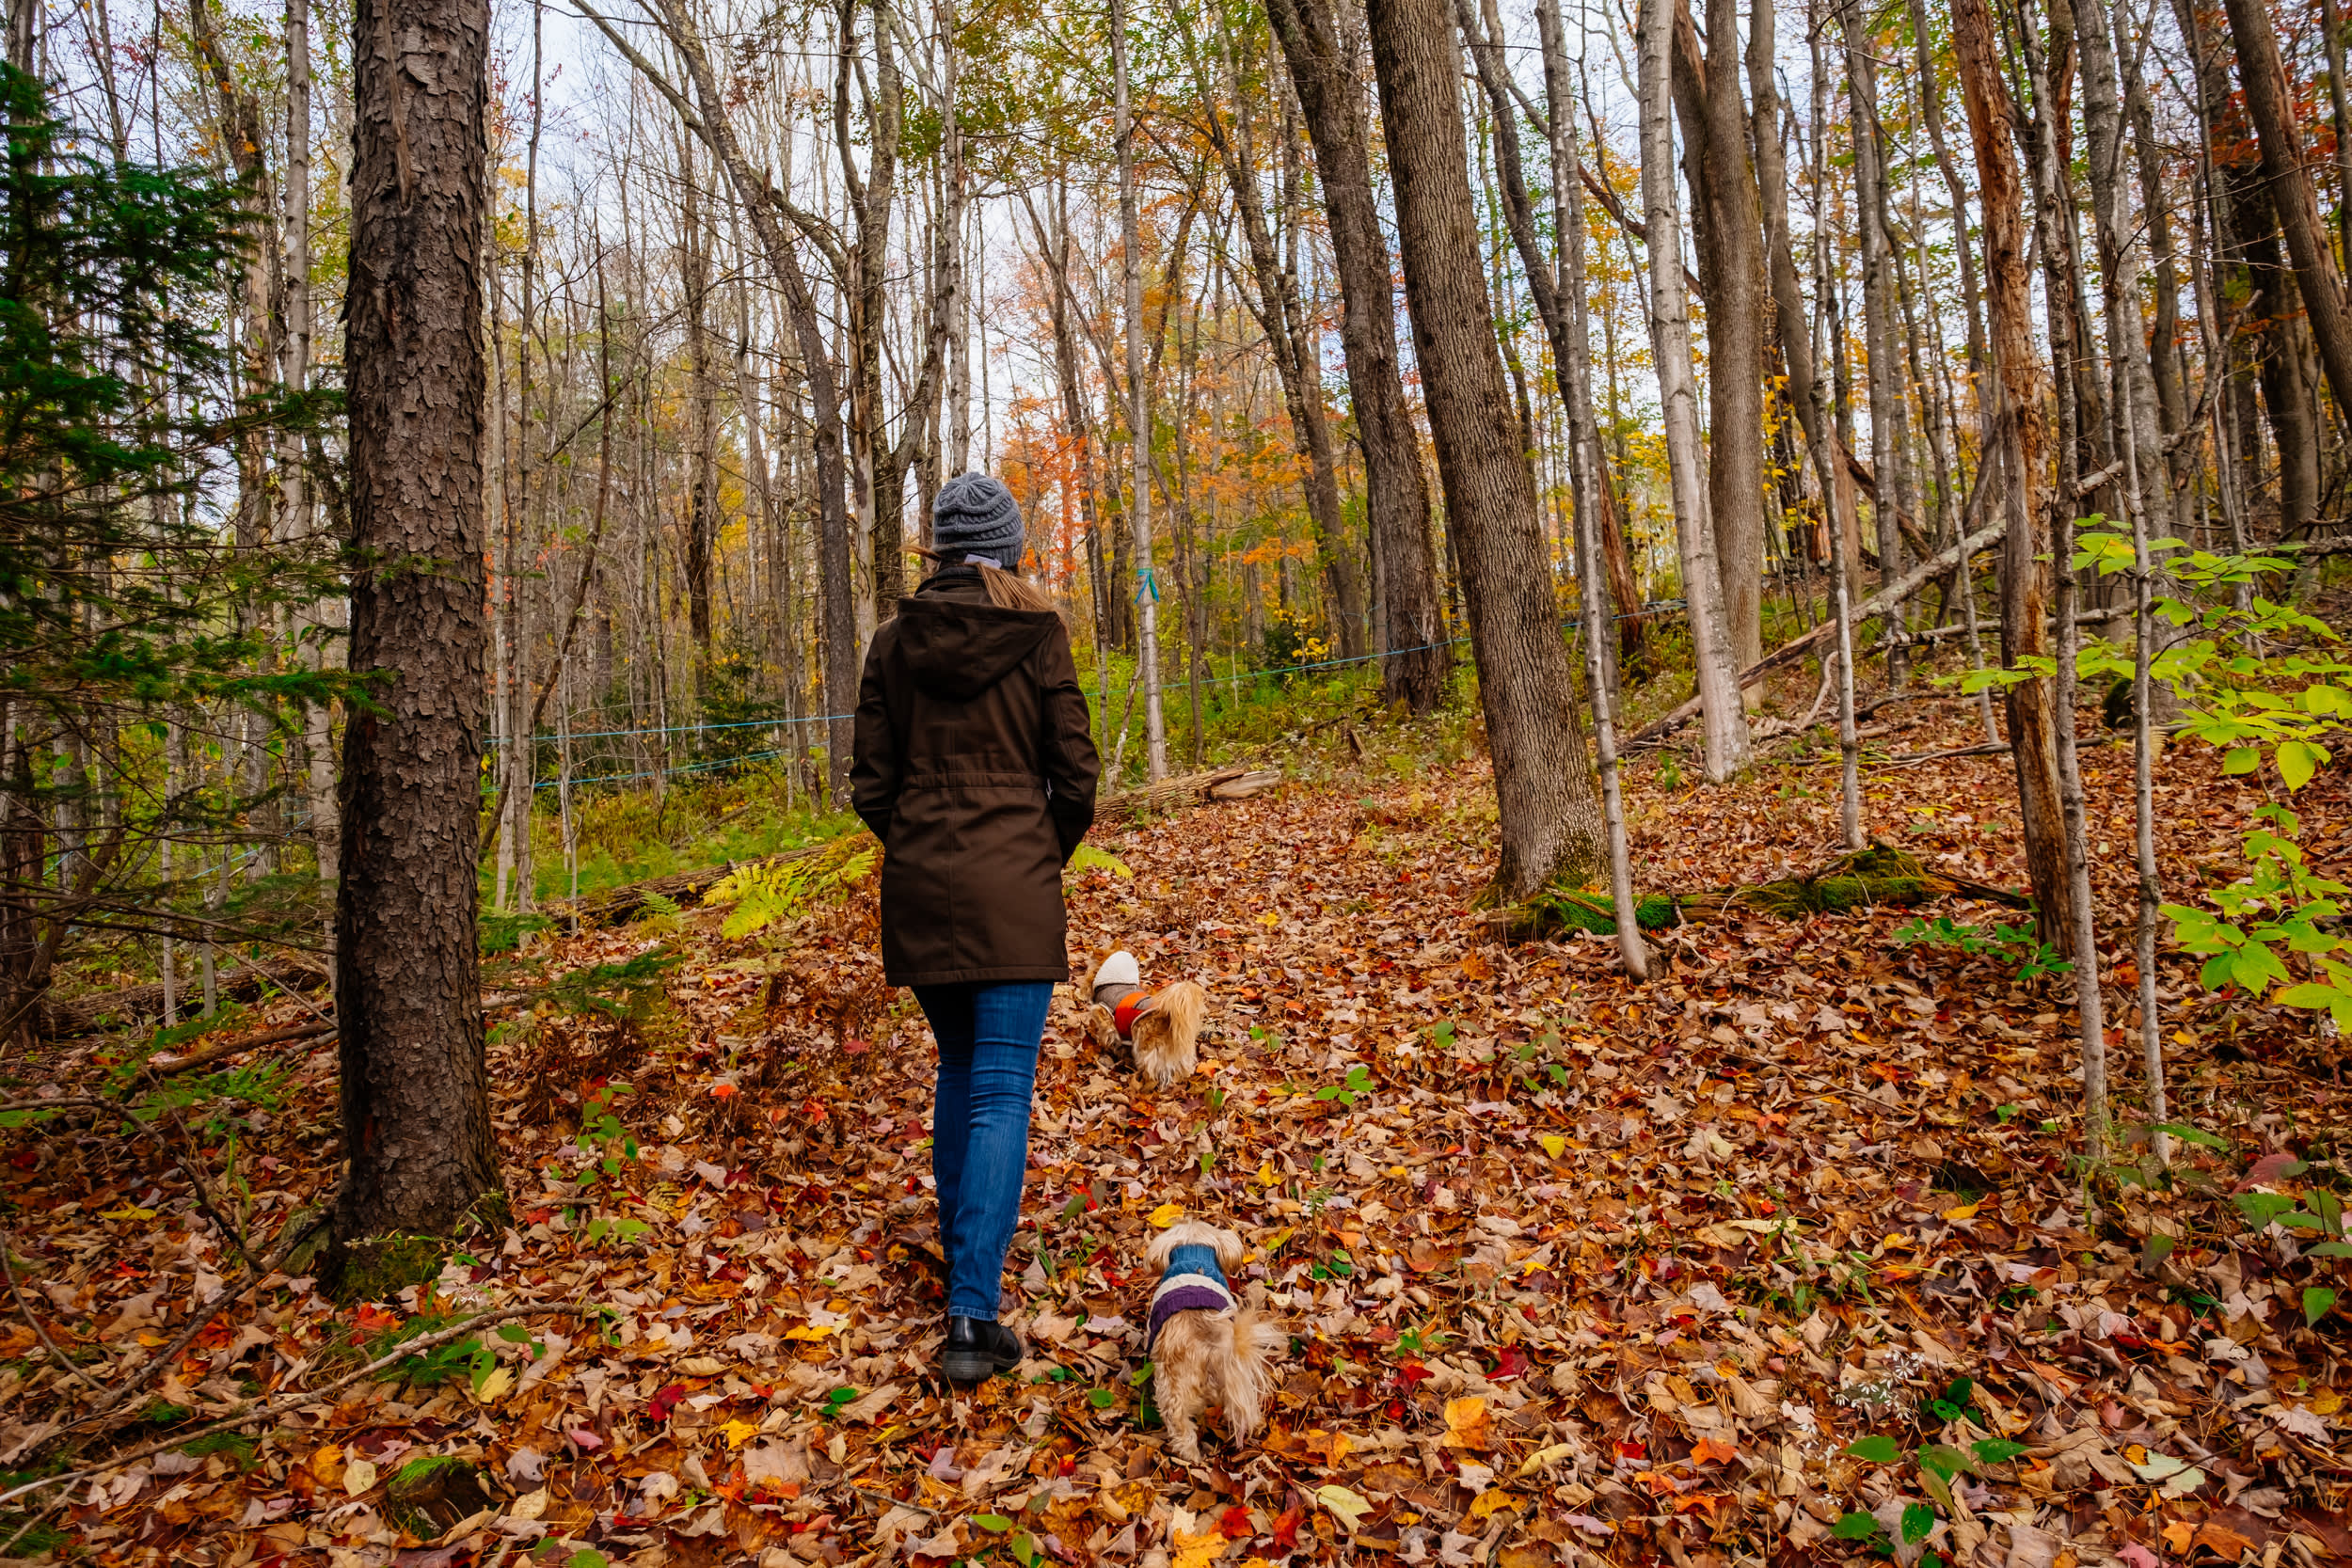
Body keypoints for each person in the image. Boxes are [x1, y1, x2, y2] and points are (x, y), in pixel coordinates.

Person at [850, 472, 1099, 1386]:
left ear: (940, 552)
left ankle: (965, 1289)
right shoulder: (1038, 634)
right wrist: (1038, 855)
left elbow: (869, 785)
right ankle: (972, 1312)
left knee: (961, 1074)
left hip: (921, 885)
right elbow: (1075, 775)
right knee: (996, 1087)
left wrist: (921, 845)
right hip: (1014, 887)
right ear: (1010, 547)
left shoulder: (891, 641)